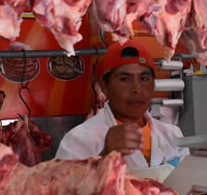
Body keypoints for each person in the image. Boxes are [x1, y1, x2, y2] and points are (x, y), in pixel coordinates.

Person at [55, 39, 189, 171]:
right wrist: (104, 157)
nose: (137, 88)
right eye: (125, 79)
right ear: (104, 86)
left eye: (144, 79)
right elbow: (61, 191)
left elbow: (187, 186)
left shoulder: (172, 135)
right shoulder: (79, 139)